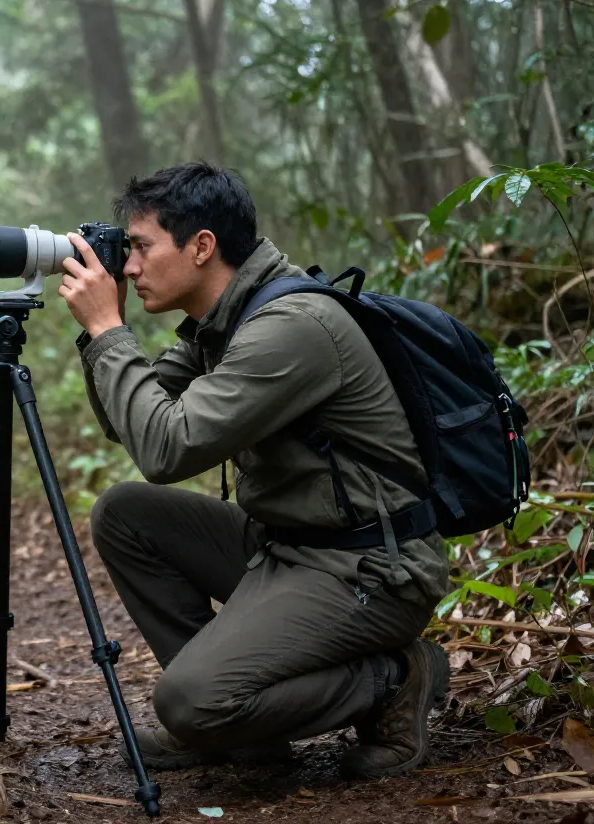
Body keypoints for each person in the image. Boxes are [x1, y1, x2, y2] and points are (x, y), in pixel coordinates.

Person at [57, 161, 451, 779]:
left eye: (140, 248)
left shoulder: (289, 328)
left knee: (187, 702)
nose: (128, 267)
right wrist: (99, 341)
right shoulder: (221, 319)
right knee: (125, 515)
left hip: (369, 566)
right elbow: (129, 423)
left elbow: (169, 449)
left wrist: (109, 328)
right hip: (288, 546)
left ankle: (397, 675)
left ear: (201, 247)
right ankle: (245, 725)